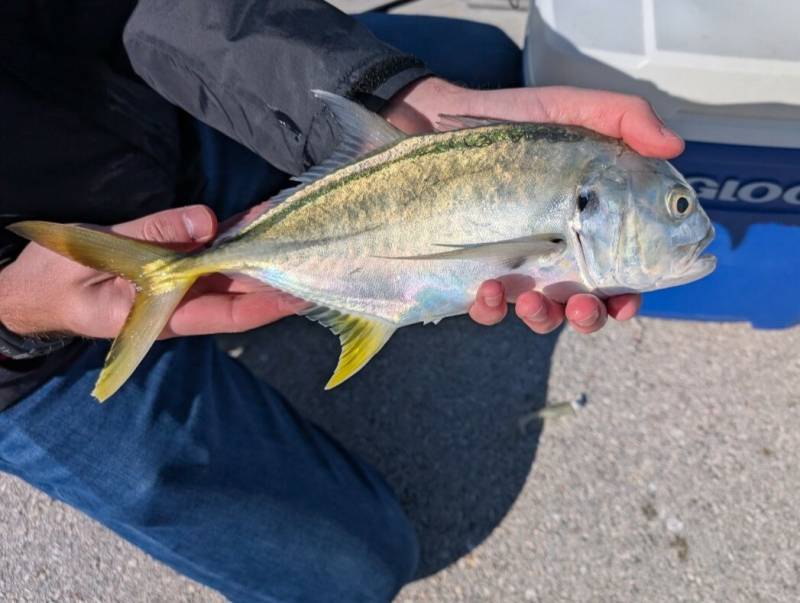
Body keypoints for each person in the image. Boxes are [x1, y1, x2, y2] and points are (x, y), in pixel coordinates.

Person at [0, 1, 684, 601]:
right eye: (676, 209)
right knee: (352, 575)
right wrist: (15, 310)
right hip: (24, 345)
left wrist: (391, 98)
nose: (688, 223)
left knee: (488, 60)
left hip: (144, 103)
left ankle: (295, 253)